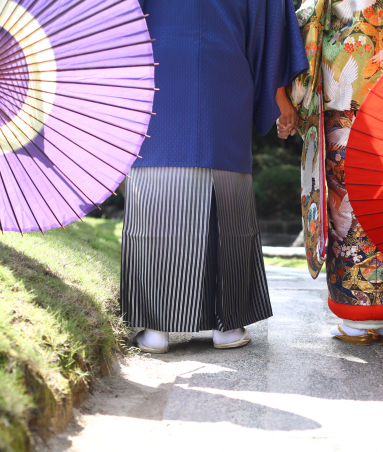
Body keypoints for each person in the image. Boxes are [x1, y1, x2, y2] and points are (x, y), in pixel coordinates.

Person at [123, 0, 308, 352]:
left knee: (156, 189)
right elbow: (271, 26)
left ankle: (156, 328)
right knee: (226, 189)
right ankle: (229, 326)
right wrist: (279, 96)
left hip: (155, 74)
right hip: (222, 76)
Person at [276, 0, 383, 345]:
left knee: (351, 208)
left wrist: (289, 103)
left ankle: (357, 320)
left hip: (345, 115)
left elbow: (303, 31)